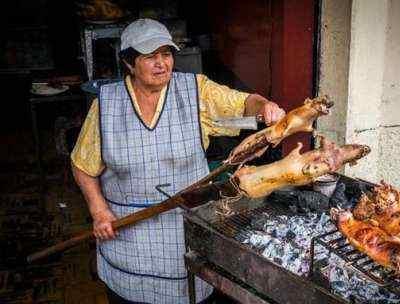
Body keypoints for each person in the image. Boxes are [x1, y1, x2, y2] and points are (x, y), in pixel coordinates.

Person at [71, 18, 285, 304]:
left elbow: (245, 103)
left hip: (185, 230)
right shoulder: (107, 104)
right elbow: (82, 165)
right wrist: (99, 211)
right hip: (127, 236)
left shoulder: (196, 91)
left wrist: (265, 107)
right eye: (150, 56)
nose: (162, 63)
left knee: (188, 292)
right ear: (129, 63)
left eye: (167, 54)